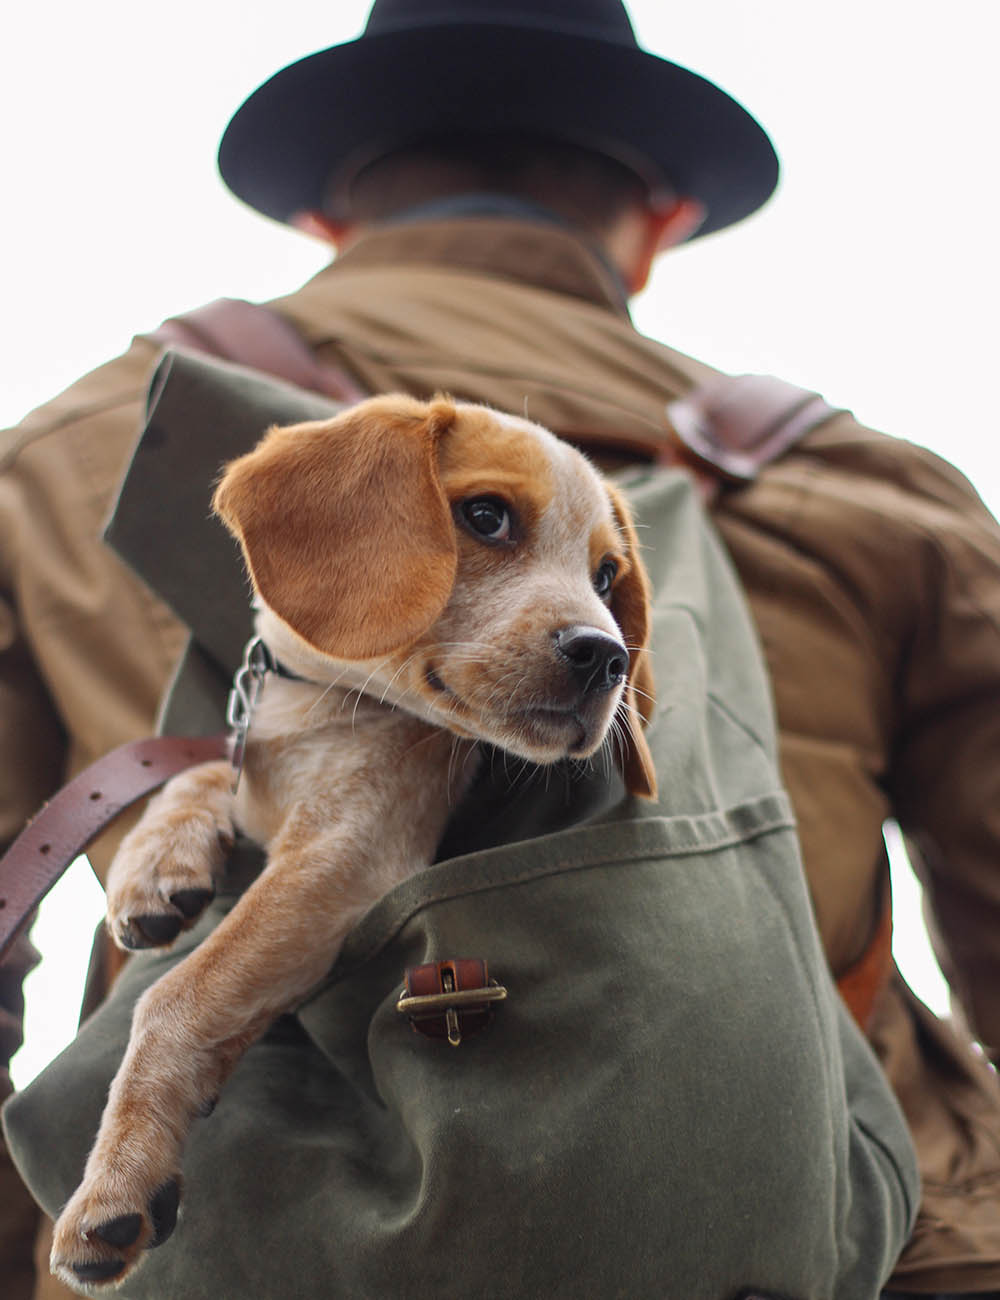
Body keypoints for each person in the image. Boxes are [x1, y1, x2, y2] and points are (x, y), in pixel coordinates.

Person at [1, 1, 997, 1296]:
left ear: (327, 216)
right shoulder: (878, 491)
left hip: (248, 1242)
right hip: (818, 1247)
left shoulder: (77, 453)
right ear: (659, 222)